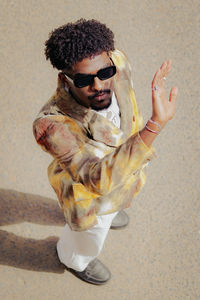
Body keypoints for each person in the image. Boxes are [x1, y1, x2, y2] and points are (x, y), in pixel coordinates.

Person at [33, 19, 178, 285]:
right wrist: (155, 126)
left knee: (111, 207)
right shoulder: (52, 125)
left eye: (104, 73)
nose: (99, 86)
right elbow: (96, 180)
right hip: (87, 194)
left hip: (122, 176)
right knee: (89, 237)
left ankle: (112, 209)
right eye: (84, 79)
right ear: (66, 79)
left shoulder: (116, 63)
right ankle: (73, 259)